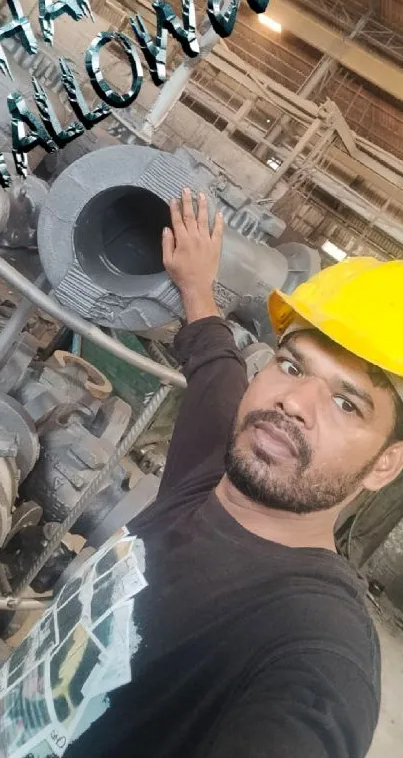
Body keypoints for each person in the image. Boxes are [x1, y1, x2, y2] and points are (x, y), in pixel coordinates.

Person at [3, 191, 403, 758]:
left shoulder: (316, 647)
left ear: (385, 464)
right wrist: (197, 285)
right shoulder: (214, 468)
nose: (294, 402)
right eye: (292, 366)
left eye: (347, 404)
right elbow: (216, 357)